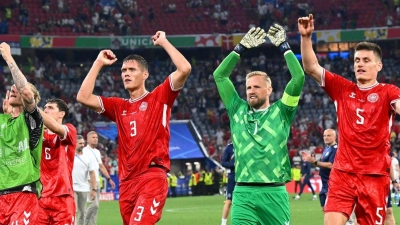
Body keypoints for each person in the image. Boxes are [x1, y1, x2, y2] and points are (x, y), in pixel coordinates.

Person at [76, 30, 191, 225]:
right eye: (123, 71)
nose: (126, 74)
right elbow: (83, 97)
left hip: (152, 177)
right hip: (127, 183)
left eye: (131, 70)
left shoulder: (159, 97)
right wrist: (98, 63)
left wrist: (164, 42)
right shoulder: (119, 106)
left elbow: (184, 68)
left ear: (145, 74)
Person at [298, 14, 400, 225]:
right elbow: (311, 68)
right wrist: (306, 38)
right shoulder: (342, 89)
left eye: (366, 60)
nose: (360, 64)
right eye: (356, 60)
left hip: (373, 176)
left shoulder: (388, 92)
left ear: (378, 66)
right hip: (342, 173)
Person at [213, 25, 304, 225]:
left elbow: (298, 78)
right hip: (243, 193)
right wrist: (240, 48)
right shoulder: (237, 109)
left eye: (256, 86)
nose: (251, 91)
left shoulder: (282, 112)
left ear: (269, 89)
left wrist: (284, 46)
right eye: (248, 87)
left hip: (274, 194)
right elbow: (219, 76)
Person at [0, 42, 44, 224]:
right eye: (12, 87)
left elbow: (26, 92)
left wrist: (8, 58)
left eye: (17, 88)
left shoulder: (31, 120)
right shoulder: (2, 122)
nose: (14, 89)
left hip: (23, 193)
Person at [37, 98, 77, 224]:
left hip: (62, 196)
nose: (46, 110)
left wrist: (32, 106)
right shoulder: (37, 134)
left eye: (50, 107)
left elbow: (55, 128)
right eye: (44, 108)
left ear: (62, 113)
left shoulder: (69, 130)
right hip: (40, 197)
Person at [83, 131, 115, 225]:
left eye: (96, 137)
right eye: (93, 137)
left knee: (96, 208)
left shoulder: (97, 152)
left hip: (97, 181)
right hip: (89, 181)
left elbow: (101, 166)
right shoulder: (84, 151)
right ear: (88, 139)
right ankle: (83, 222)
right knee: (94, 205)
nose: (96, 139)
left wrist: (109, 178)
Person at [300, 129, 337, 207]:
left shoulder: (335, 149)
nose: (326, 137)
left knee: (331, 214)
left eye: (328, 135)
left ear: (335, 137)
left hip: (332, 185)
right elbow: (319, 164)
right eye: (324, 136)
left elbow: (331, 165)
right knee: (324, 210)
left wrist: (315, 162)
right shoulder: (327, 148)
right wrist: (311, 161)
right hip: (324, 185)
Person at [73, 135, 97, 225]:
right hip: (72, 187)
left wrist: (94, 189)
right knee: (73, 211)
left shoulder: (87, 157)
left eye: (83, 143)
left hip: (84, 188)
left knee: (83, 213)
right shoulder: (70, 155)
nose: (82, 145)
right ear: (75, 144)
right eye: (80, 143)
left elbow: (92, 173)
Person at [220, 142, 235, 225]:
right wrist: (233, 164)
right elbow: (223, 162)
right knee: (229, 201)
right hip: (233, 177)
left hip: (244, 178)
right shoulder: (230, 147)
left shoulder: (244, 144)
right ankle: (223, 223)